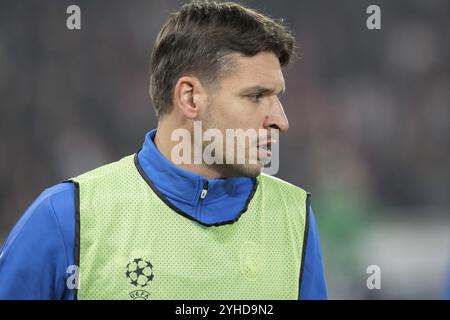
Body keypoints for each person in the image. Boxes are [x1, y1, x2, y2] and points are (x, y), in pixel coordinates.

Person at [0, 0, 327, 300]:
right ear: (189, 98)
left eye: (277, 96)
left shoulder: (294, 219)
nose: (281, 121)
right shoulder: (67, 218)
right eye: (256, 96)